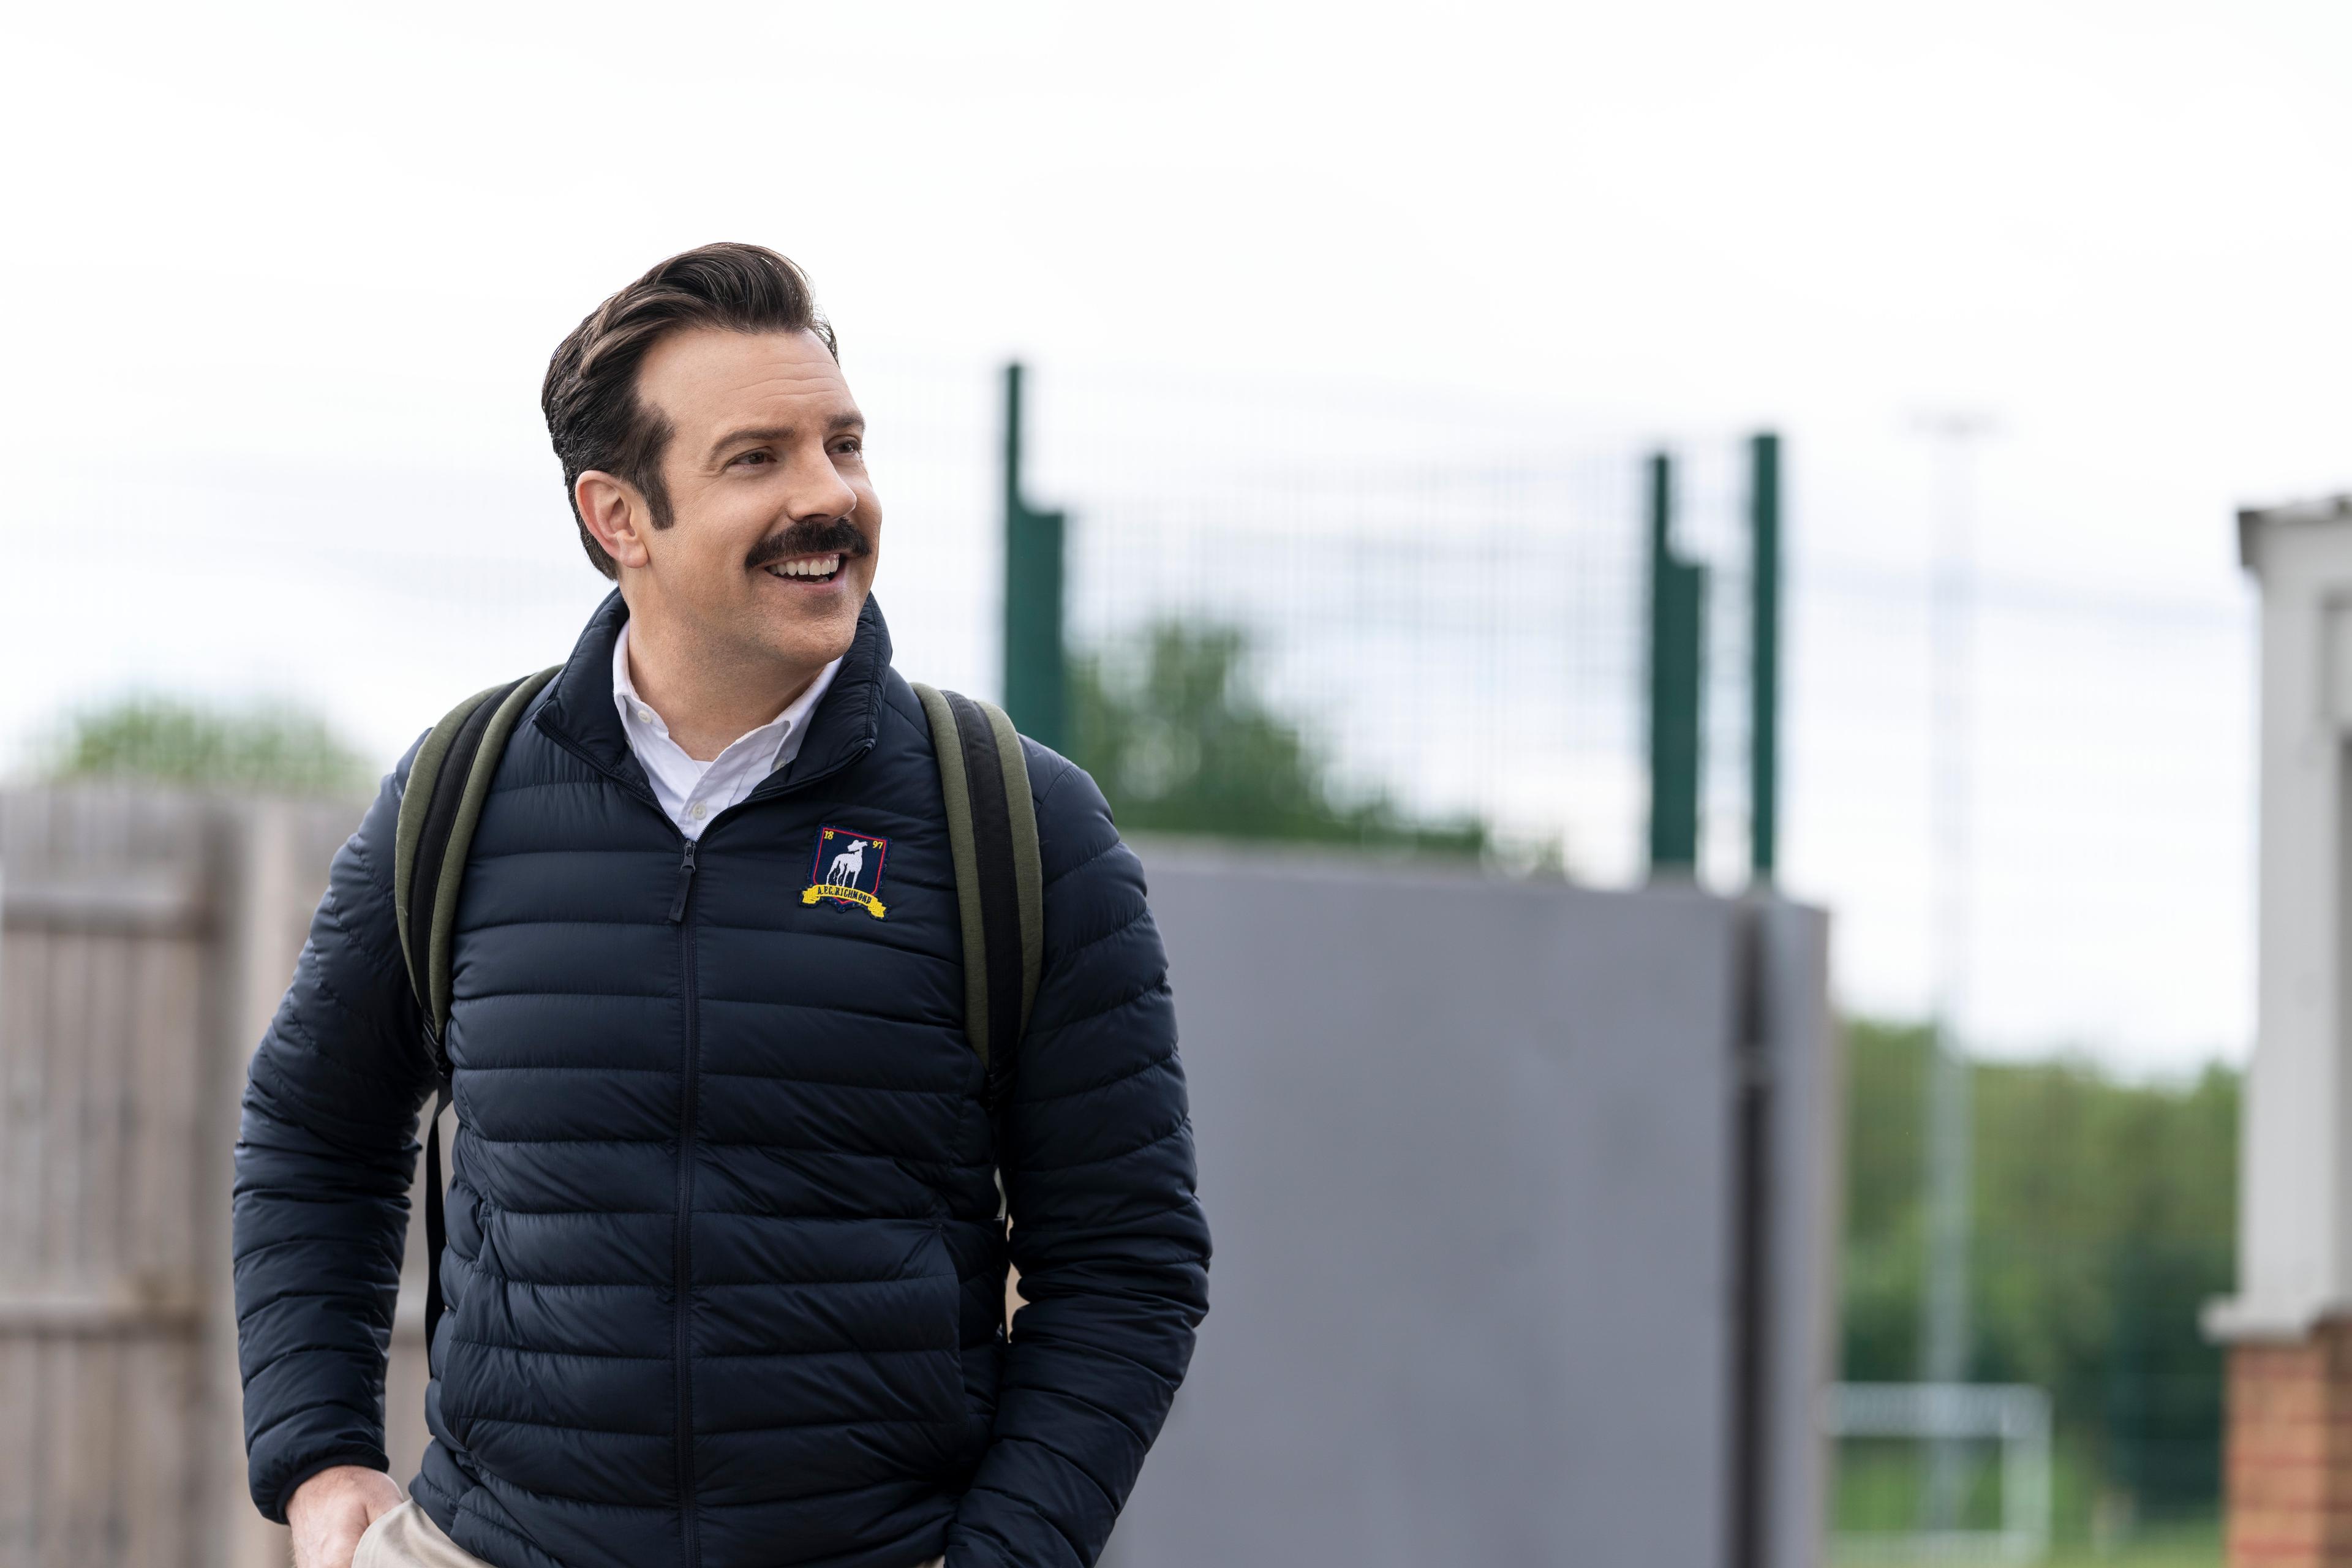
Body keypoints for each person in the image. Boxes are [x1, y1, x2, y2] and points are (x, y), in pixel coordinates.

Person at [232, 243, 1211, 1568]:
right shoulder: (460, 794)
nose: (831, 497)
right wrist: (319, 1453)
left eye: (844, 446)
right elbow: (314, 1129)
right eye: (758, 459)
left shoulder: (1016, 822)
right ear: (618, 517)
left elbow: (1126, 1262)